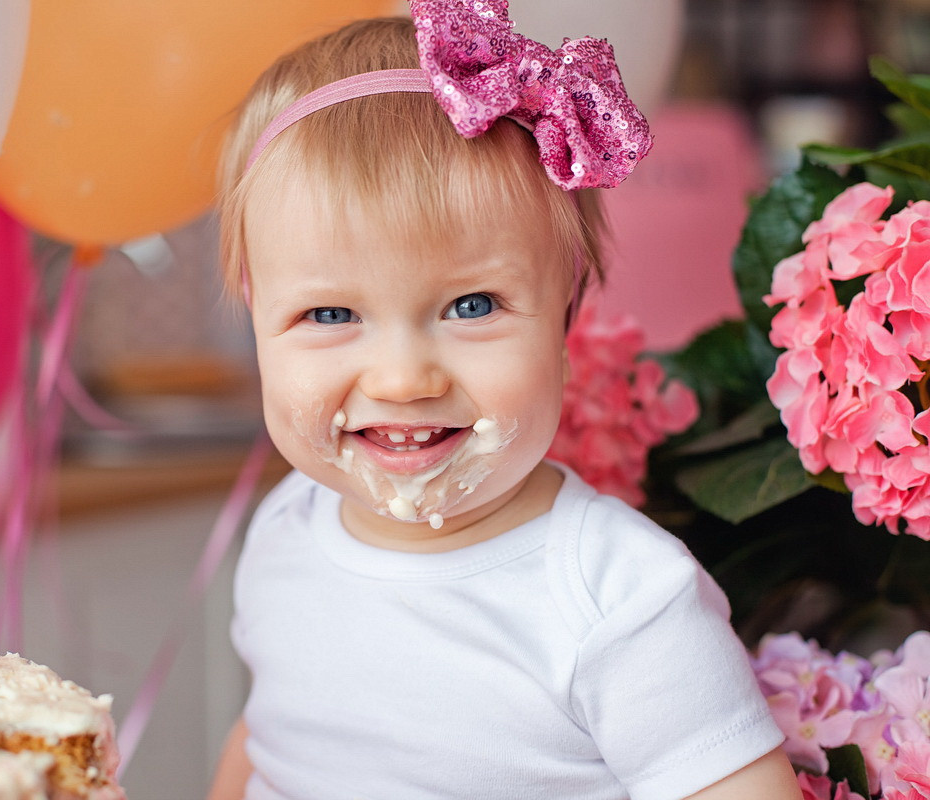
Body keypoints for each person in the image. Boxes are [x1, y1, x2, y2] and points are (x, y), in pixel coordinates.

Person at [207, 2, 802, 798]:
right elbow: (268, 743)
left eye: (472, 306)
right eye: (330, 315)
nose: (403, 380)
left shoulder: (620, 597)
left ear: (565, 317)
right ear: (256, 317)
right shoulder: (286, 528)